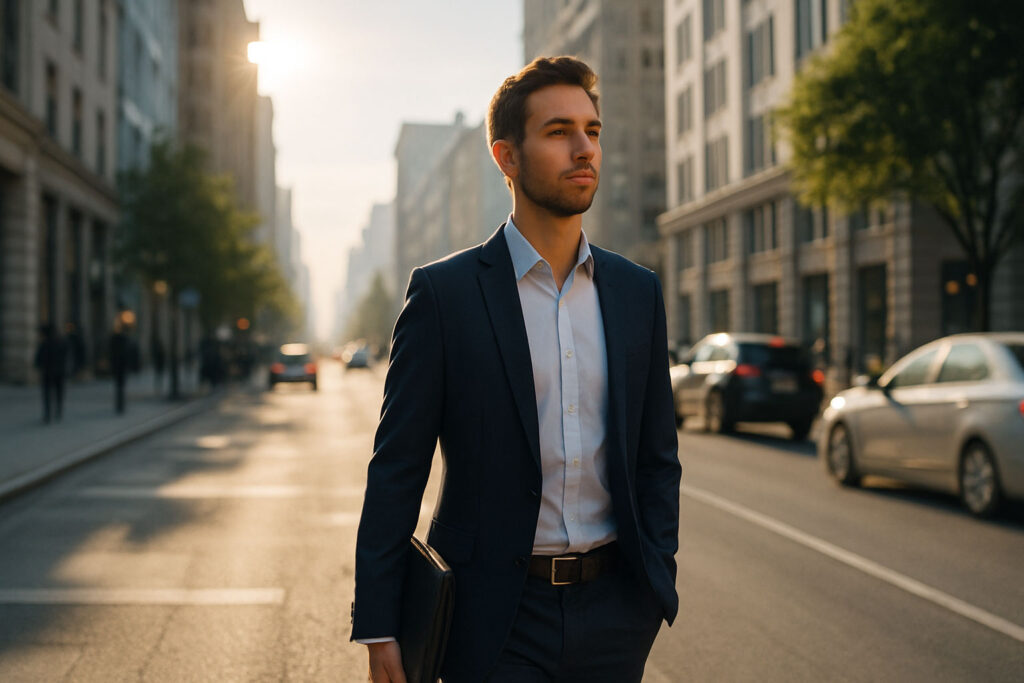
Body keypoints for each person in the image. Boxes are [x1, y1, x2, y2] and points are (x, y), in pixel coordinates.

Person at [351, 56, 681, 682]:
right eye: (558, 132)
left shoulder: (637, 292)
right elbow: (398, 466)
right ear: (506, 157)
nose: (584, 149)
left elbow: (656, 456)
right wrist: (379, 620)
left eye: (592, 130)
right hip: (491, 622)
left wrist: (653, 582)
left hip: (615, 615)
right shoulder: (445, 295)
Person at [34, 324, 67, 423]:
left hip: (48, 372)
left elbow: (39, 358)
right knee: (58, 393)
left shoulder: (45, 343)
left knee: (47, 394)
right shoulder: (61, 342)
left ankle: (48, 414)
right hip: (59, 372)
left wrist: (39, 366)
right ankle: (58, 410)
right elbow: (65, 357)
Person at [110, 322, 130, 414]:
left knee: (118, 386)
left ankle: (119, 405)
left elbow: (111, 353)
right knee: (121, 387)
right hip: (121, 367)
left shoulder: (114, 340)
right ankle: (120, 405)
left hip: (117, 366)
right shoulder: (124, 340)